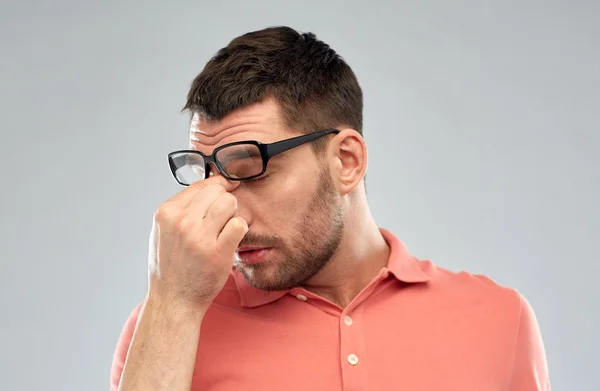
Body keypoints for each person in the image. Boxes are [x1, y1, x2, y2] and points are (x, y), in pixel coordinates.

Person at [110, 26, 550, 391]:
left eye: (252, 170)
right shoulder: (167, 326)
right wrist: (172, 306)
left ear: (346, 161)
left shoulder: (498, 319)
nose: (227, 214)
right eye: (208, 176)